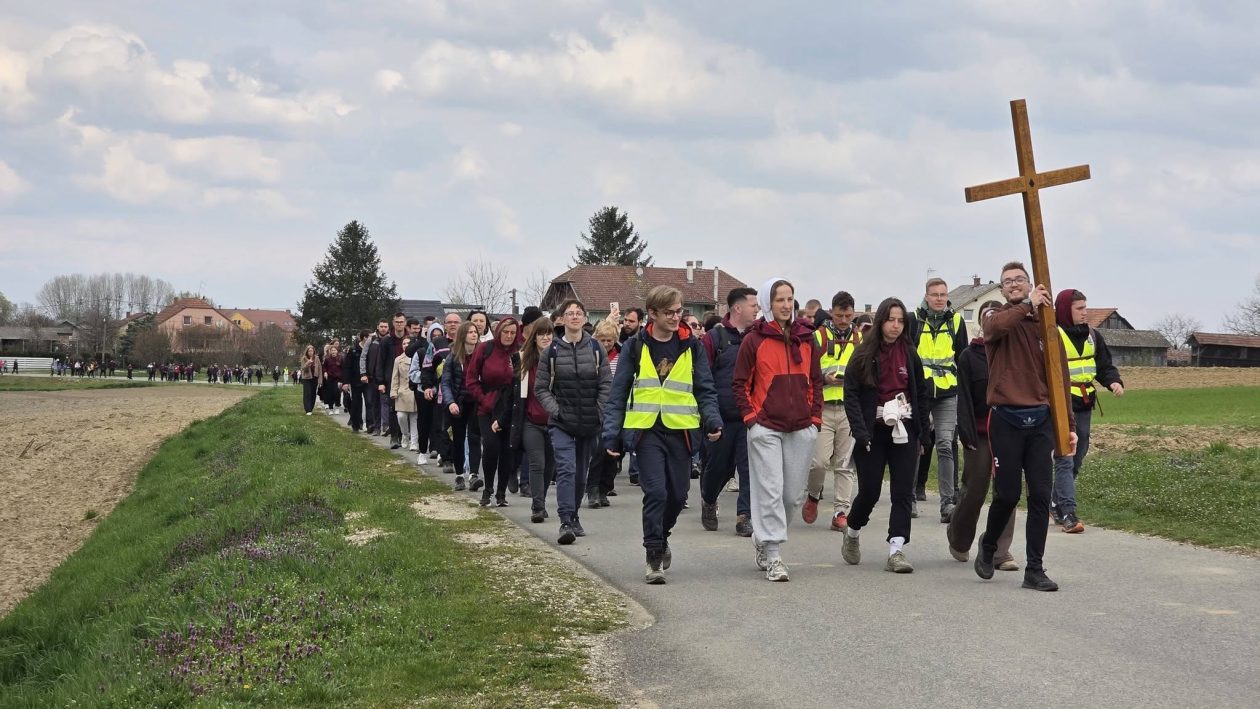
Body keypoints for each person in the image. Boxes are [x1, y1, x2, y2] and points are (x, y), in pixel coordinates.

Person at [604, 285, 722, 584]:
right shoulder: (635, 347)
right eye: (669, 312)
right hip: (646, 431)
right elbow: (618, 394)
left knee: (678, 495)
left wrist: (712, 420)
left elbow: (705, 389)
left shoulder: (691, 346)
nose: (675, 317)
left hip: (681, 430)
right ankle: (653, 555)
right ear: (652, 314)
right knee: (656, 492)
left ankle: (663, 535)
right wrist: (612, 434)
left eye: (679, 311)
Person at [974, 262, 1078, 592]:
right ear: (1002, 289)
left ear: (1031, 284)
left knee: (1040, 496)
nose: (1014, 284)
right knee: (1007, 495)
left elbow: (1061, 380)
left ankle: (1035, 569)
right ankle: (989, 544)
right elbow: (995, 328)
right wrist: (1027, 305)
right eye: (1008, 282)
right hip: (1006, 419)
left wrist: (1068, 425)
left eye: (1020, 279)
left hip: (1041, 421)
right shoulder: (996, 317)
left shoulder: (1046, 327)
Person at [733, 278, 822, 582]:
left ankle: (763, 536)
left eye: (789, 299)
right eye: (779, 299)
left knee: (792, 496)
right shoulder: (754, 340)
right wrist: (751, 419)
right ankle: (773, 554)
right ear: (768, 303)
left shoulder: (807, 339)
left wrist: (815, 420)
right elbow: (740, 384)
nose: (786, 305)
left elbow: (816, 381)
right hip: (766, 427)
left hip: (801, 427)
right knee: (770, 491)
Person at [839, 297, 930, 574]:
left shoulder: (910, 353)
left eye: (901, 321)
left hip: (904, 429)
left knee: (903, 492)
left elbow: (921, 393)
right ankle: (852, 531)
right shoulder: (863, 354)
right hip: (872, 431)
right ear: (880, 321)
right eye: (891, 320)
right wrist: (860, 431)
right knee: (870, 492)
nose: (896, 325)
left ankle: (896, 549)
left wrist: (922, 434)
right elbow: (850, 394)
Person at [946, 301, 1018, 568]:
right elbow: (963, 399)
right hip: (979, 433)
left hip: (1009, 430)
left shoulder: (1014, 352)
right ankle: (959, 538)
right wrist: (965, 434)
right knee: (975, 489)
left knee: (1007, 491)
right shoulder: (969, 356)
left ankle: (999, 551)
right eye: (988, 317)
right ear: (981, 323)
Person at [535, 299, 612, 544]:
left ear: (585, 318)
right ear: (562, 319)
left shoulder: (596, 349)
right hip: (562, 423)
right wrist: (556, 411)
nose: (575, 316)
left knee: (580, 473)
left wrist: (598, 411)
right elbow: (541, 389)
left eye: (579, 313)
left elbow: (606, 384)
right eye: (570, 313)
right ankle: (565, 521)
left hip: (590, 422)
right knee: (566, 469)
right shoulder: (552, 352)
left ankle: (575, 514)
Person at [1052, 289, 1124, 533]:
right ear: (1065, 310)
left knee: (1079, 454)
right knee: (1065, 455)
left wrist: (1113, 381)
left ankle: (1055, 501)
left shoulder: (1093, 336)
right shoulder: (1052, 336)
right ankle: (1068, 512)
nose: (1085, 312)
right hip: (1060, 403)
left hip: (1084, 403)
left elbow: (1104, 365)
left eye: (1085, 307)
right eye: (1079, 308)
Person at [699, 286, 759, 536]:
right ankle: (709, 499)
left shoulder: (757, 337)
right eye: (753, 305)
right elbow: (703, 380)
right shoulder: (713, 338)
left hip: (750, 417)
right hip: (721, 417)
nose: (757, 309)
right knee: (719, 469)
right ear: (737, 308)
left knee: (749, 469)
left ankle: (744, 516)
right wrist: (709, 417)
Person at [907, 278, 968, 523]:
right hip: (919, 393)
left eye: (943, 294)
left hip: (947, 391)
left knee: (945, 444)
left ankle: (947, 504)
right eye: (935, 294)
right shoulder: (913, 320)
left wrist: (964, 391)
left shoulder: (956, 321)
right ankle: (909, 498)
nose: (940, 299)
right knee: (915, 445)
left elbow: (963, 357)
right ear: (926, 296)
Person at [803, 290, 862, 532]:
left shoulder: (860, 339)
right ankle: (813, 495)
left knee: (845, 464)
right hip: (823, 408)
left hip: (849, 408)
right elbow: (806, 371)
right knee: (818, 463)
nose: (844, 320)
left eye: (848, 316)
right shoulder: (817, 337)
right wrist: (824, 379)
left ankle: (841, 512)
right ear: (831, 312)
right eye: (839, 315)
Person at [465, 317, 521, 506]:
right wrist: (482, 398)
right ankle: (488, 488)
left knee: (507, 450)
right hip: (487, 405)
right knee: (491, 446)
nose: (509, 336)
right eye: (505, 332)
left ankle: (501, 493)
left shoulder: (519, 351)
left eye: (512, 333)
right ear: (499, 332)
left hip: (510, 406)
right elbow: (471, 378)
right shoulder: (485, 348)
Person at [510, 318, 556, 523]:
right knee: (537, 463)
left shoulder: (560, 359)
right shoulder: (522, 360)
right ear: (534, 337)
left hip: (555, 421)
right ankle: (537, 507)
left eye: (549, 333)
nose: (545, 337)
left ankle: (541, 500)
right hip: (531, 420)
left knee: (549, 466)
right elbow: (512, 392)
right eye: (541, 333)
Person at [585, 319, 623, 507]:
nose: (606, 344)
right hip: (597, 407)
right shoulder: (591, 355)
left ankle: (604, 488)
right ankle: (593, 488)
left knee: (614, 453)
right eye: (603, 340)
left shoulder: (621, 356)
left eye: (610, 340)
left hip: (617, 409)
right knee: (600, 451)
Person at [441, 322, 481, 491]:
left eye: (475, 332)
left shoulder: (482, 355)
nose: (474, 334)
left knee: (474, 438)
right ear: (463, 335)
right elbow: (445, 382)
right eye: (470, 332)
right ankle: (459, 475)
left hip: (477, 402)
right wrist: (450, 402)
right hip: (458, 402)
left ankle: (474, 475)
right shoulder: (453, 356)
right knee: (458, 439)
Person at [374, 313, 409, 448]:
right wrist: (381, 382)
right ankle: (394, 437)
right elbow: (380, 362)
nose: (399, 324)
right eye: (397, 322)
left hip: (407, 379)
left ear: (405, 323)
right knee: (393, 409)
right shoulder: (386, 341)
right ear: (393, 324)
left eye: (401, 322)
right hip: (391, 380)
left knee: (407, 410)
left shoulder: (409, 340)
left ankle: (405, 435)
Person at [391, 337, 419, 453]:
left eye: (408, 343)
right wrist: (393, 391)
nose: (406, 345)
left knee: (414, 418)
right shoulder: (398, 360)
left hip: (415, 392)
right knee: (401, 416)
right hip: (402, 392)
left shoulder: (417, 357)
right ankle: (405, 434)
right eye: (404, 343)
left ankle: (414, 442)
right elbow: (395, 377)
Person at [362, 320, 389, 435]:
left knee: (386, 402)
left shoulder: (389, 339)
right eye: (381, 326)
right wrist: (363, 373)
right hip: (372, 376)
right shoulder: (371, 339)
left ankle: (386, 426)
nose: (383, 328)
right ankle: (377, 426)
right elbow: (363, 356)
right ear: (378, 327)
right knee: (375, 402)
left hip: (385, 376)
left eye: (385, 326)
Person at [299, 345, 322, 415]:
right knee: (307, 393)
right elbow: (303, 368)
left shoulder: (317, 358)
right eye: (309, 351)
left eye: (311, 351)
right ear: (307, 352)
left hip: (314, 378)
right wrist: (308, 362)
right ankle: (307, 409)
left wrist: (320, 380)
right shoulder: (304, 358)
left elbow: (320, 369)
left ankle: (311, 408)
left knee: (313, 394)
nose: (310, 352)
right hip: (306, 378)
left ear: (314, 351)